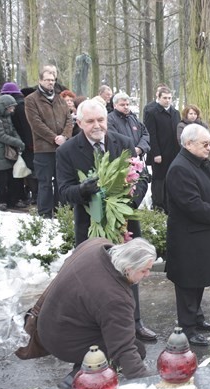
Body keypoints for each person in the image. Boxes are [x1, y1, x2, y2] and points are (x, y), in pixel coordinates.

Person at [56, 99, 155, 342]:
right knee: (98, 279)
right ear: (79, 123)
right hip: (91, 227)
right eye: (90, 121)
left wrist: (131, 202)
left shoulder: (123, 142)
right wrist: (83, 190)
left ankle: (135, 322)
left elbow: (141, 176)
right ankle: (101, 329)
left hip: (125, 224)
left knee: (131, 272)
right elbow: (64, 191)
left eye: (101, 120)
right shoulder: (67, 151)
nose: (97, 126)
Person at [37, 237, 156, 382]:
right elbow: (123, 349)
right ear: (128, 268)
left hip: (47, 320)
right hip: (63, 341)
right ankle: (76, 379)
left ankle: (85, 369)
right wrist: (146, 382)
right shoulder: (115, 297)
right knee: (137, 349)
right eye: (144, 271)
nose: (147, 275)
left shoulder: (95, 245)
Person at [166, 124, 210, 346]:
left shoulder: (198, 163)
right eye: (205, 144)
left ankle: (196, 318)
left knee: (198, 281)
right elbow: (191, 204)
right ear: (188, 144)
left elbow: (209, 193)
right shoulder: (180, 168)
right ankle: (187, 328)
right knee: (188, 283)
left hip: (201, 235)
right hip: (188, 238)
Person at [25, 67, 73, 218]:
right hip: (43, 149)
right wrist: (54, 138)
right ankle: (45, 214)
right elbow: (36, 124)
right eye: (47, 80)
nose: (50, 83)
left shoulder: (60, 99)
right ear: (40, 80)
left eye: (53, 80)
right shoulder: (31, 100)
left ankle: (61, 213)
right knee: (45, 183)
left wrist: (64, 136)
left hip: (62, 148)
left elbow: (69, 120)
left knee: (61, 181)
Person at [143, 86, 180, 212]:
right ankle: (158, 204)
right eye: (165, 98)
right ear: (158, 98)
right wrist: (156, 153)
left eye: (169, 98)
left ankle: (170, 203)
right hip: (159, 152)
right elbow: (151, 134)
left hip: (174, 152)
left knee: (172, 178)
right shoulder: (151, 112)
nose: (167, 100)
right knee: (159, 179)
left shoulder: (175, 113)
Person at [2, 82, 35, 206]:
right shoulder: (24, 105)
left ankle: (21, 196)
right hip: (25, 143)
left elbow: (24, 127)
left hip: (21, 143)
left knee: (20, 170)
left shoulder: (18, 107)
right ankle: (24, 196)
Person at [0, 95, 26, 211]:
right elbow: (1, 135)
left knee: (13, 178)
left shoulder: (7, 116)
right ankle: (1, 201)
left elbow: (12, 130)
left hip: (9, 151)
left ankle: (12, 200)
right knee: (2, 179)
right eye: (11, 108)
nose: (12, 110)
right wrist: (17, 142)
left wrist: (18, 140)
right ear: (4, 107)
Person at [107, 92, 150, 158]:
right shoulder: (109, 120)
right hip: (120, 161)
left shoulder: (133, 118)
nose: (126, 107)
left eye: (127, 104)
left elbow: (145, 134)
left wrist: (140, 148)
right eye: (122, 105)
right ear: (114, 105)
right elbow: (113, 139)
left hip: (137, 160)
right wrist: (131, 151)